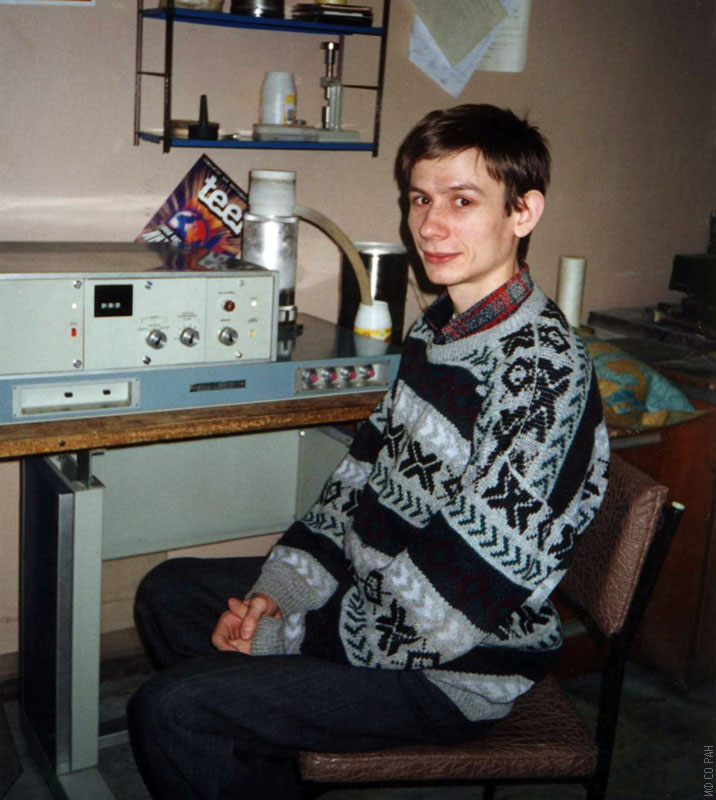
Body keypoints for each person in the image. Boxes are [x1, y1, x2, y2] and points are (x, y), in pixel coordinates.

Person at [127, 103, 610, 800]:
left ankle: (243, 735)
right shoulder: (438, 330)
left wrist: (288, 637)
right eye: (420, 199)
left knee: (172, 710)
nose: (429, 225)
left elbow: (457, 594)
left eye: (462, 201)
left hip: (456, 665)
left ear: (523, 213)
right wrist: (279, 592)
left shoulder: (543, 374)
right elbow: (357, 484)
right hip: (377, 595)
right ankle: (260, 767)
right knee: (169, 594)